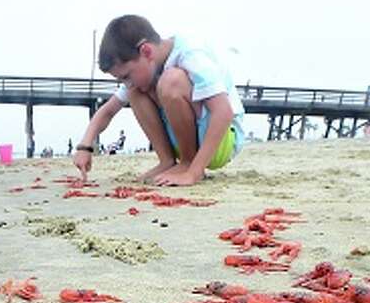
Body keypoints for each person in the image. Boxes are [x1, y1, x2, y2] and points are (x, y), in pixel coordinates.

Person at [72, 15, 244, 187]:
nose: (127, 82)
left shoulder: (190, 53)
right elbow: (107, 111)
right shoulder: (142, 72)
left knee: (171, 81)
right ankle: (167, 161)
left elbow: (224, 111)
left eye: (127, 76)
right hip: (185, 140)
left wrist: (193, 172)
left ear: (146, 51)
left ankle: (188, 164)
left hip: (221, 141)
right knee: (135, 91)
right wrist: (85, 146)